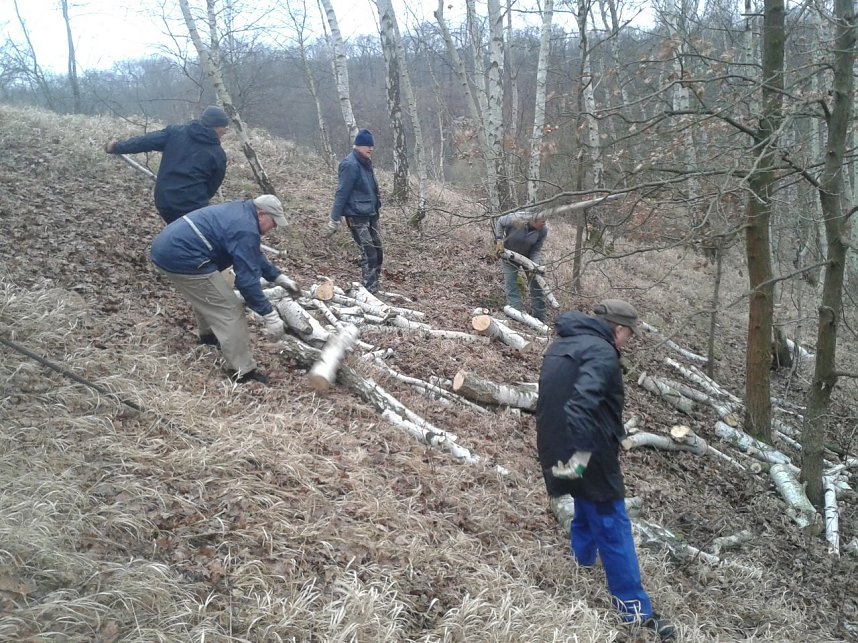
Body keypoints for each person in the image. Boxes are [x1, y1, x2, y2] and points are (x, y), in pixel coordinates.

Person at [535, 299, 675, 641]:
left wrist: (571, 459)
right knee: (613, 522)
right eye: (629, 335)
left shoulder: (565, 342)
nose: (627, 341)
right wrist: (583, 457)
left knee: (584, 504)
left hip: (555, 446)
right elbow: (582, 405)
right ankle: (635, 610)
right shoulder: (602, 352)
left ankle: (580, 564)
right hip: (587, 450)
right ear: (619, 329)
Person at [149, 195, 301, 386]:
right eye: (273, 222)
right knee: (230, 309)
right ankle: (243, 371)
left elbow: (251, 254)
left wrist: (278, 277)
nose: (274, 228)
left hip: (169, 249)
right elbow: (246, 283)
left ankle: (208, 336)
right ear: (261, 213)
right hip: (182, 258)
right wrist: (269, 314)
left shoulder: (242, 214)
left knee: (210, 294)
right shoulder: (245, 227)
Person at [105, 105, 229, 224]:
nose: (224, 133)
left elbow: (144, 142)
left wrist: (117, 147)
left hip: (164, 202)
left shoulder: (175, 133)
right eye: (224, 129)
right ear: (217, 127)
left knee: (177, 230)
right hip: (192, 207)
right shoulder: (218, 154)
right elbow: (212, 187)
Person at [325, 129, 383, 293]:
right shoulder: (350, 164)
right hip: (357, 216)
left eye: (371, 146)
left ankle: (373, 286)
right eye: (366, 145)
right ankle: (368, 291)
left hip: (371, 214)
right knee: (368, 253)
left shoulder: (366, 162)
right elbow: (342, 192)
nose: (370, 149)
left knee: (378, 252)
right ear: (357, 146)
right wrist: (334, 218)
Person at [493, 210, 547, 321]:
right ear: (533, 220)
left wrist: (534, 265)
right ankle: (515, 313)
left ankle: (539, 317)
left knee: (536, 285)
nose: (544, 224)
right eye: (542, 222)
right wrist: (499, 239)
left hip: (529, 258)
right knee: (511, 283)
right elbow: (500, 222)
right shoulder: (516, 219)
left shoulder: (543, 231)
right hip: (509, 255)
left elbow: (536, 249)